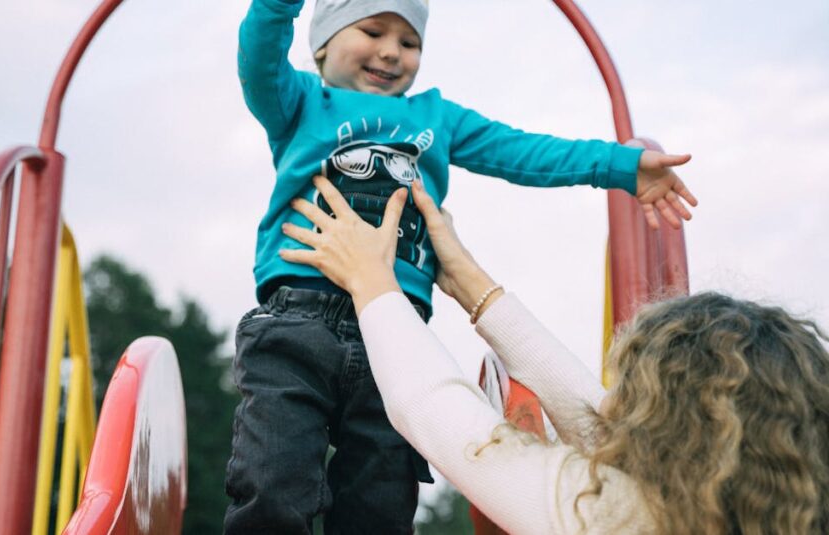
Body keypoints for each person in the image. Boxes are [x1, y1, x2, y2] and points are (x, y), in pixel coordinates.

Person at [227, 0, 699, 531]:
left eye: (409, 42)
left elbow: (522, 151)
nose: (391, 51)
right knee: (271, 479)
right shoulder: (299, 103)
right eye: (372, 30)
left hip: (394, 332)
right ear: (322, 46)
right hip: (297, 320)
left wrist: (621, 166)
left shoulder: (435, 117)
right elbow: (258, 55)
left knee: (381, 497)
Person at [280, 175, 829, 534]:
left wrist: (370, 279)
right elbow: (596, 415)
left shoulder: (621, 519)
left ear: (679, 429)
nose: (618, 403)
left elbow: (447, 420)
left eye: (638, 398)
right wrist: (473, 285)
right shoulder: (744, 514)